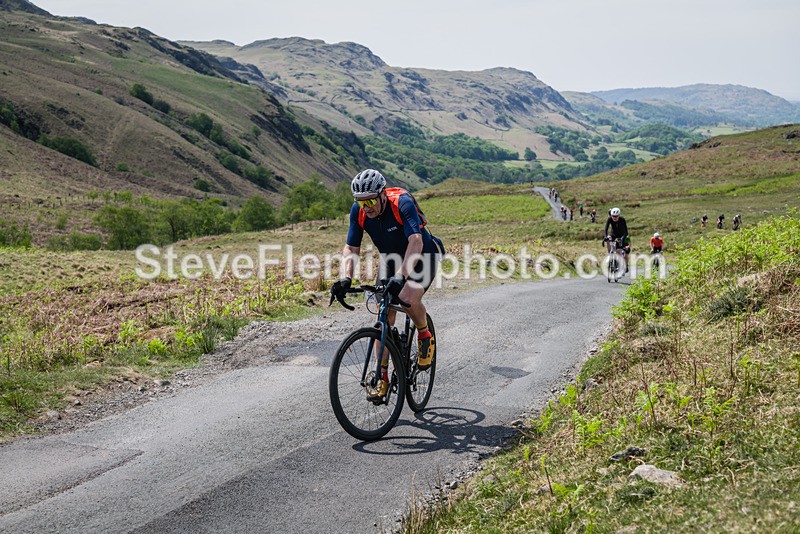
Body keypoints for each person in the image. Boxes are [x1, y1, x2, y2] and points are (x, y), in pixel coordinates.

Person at [330, 169, 442, 401]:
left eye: (370, 201)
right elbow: (351, 247)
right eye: (361, 202)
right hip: (391, 260)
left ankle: (424, 335)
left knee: (407, 298)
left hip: (424, 255)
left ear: (382, 194)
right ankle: (382, 377)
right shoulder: (359, 211)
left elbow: (416, 241)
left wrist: (401, 277)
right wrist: (345, 278)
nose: (366, 207)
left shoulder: (402, 203)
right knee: (383, 316)